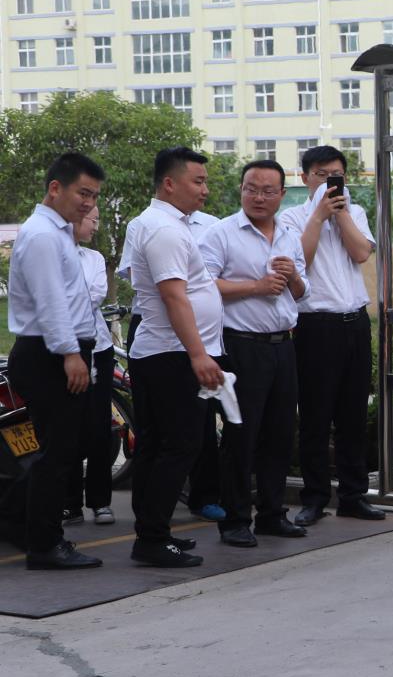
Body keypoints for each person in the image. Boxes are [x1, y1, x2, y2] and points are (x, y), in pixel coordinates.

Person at [2, 153, 108, 570]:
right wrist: (69, 354)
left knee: (67, 447)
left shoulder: (58, 232)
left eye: (94, 195)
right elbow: (51, 303)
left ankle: (17, 518)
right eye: (83, 193)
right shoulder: (44, 235)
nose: (88, 203)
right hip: (50, 352)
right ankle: (44, 544)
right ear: (55, 188)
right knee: (57, 452)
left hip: (61, 349)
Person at [201, 159, 311, 547]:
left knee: (280, 435)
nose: (258, 197)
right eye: (251, 188)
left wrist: (293, 277)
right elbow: (204, 286)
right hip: (242, 346)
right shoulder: (221, 233)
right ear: (240, 190)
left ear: (283, 194)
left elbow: (302, 292)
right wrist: (256, 286)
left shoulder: (288, 234)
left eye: (268, 190)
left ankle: (271, 514)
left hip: (284, 345)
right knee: (240, 436)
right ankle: (234, 520)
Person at [127, 147, 226, 569]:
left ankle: (153, 533)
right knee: (178, 447)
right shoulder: (164, 230)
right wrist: (199, 354)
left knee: (157, 447)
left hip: (163, 351)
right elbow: (173, 296)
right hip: (171, 354)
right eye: (197, 181)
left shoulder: (159, 223)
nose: (205, 190)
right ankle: (152, 538)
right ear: (170, 183)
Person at [279, 145, 382, 527]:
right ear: (305, 177)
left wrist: (339, 218)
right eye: (322, 174)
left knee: (354, 416)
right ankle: (315, 498)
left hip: (353, 322)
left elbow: (360, 254)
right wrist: (319, 218)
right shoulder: (290, 218)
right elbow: (298, 264)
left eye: (336, 174)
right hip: (314, 326)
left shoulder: (354, 212)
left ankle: (354, 496)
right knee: (316, 418)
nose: (329, 181)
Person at [63, 206, 117, 528]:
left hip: (99, 347)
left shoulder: (94, 259)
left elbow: (94, 295)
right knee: (68, 426)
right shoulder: (53, 254)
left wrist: (63, 296)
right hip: (63, 350)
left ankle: (100, 501)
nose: (95, 226)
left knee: (99, 426)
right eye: (93, 220)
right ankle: (70, 503)